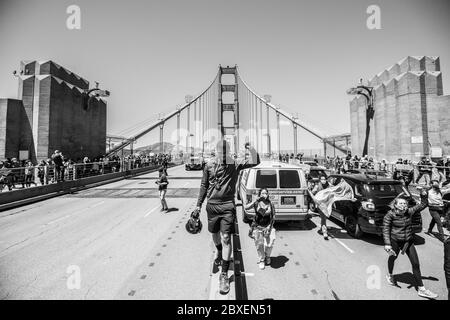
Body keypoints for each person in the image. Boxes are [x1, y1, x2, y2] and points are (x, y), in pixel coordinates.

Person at [192, 140, 260, 294]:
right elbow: (203, 185)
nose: (222, 155)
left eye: (225, 152)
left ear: (228, 152)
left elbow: (256, 161)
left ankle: (224, 274)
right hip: (212, 206)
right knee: (214, 235)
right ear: (216, 151)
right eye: (220, 152)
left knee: (226, 238)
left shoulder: (234, 164)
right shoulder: (209, 165)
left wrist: (250, 148)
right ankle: (219, 251)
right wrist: (198, 205)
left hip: (228, 206)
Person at [383, 190, 438, 299]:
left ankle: (421, 289)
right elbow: (385, 229)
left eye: (404, 203)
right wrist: (387, 244)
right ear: (395, 205)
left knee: (416, 264)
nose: (403, 205)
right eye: (400, 203)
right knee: (393, 258)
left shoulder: (409, 211)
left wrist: (423, 194)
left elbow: (423, 204)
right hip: (395, 241)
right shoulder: (390, 214)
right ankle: (390, 275)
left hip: (408, 241)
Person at [244, 188, 276, 270]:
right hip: (258, 227)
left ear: (268, 194)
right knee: (259, 244)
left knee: (270, 243)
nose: (264, 194)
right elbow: (246, 207)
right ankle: (262, 260)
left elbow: (273, 217)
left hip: (268, 226)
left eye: (265, 193)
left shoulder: (270, 204)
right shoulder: (257, 203)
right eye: (262, 193)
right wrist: (255, 200)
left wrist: (269, 226)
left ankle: (267, 256)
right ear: (259, 194)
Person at [311, 175, 331, 240]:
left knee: (325, 217)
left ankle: (323, 227)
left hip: (327, 204)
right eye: (322, 179)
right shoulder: (317, 186)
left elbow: (334, 189)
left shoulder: (329, 185)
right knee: (323, 218)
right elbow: (312, 192)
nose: (323, 180)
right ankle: (325, 232)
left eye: (324, 179)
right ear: (320, 180)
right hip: (320, 205)